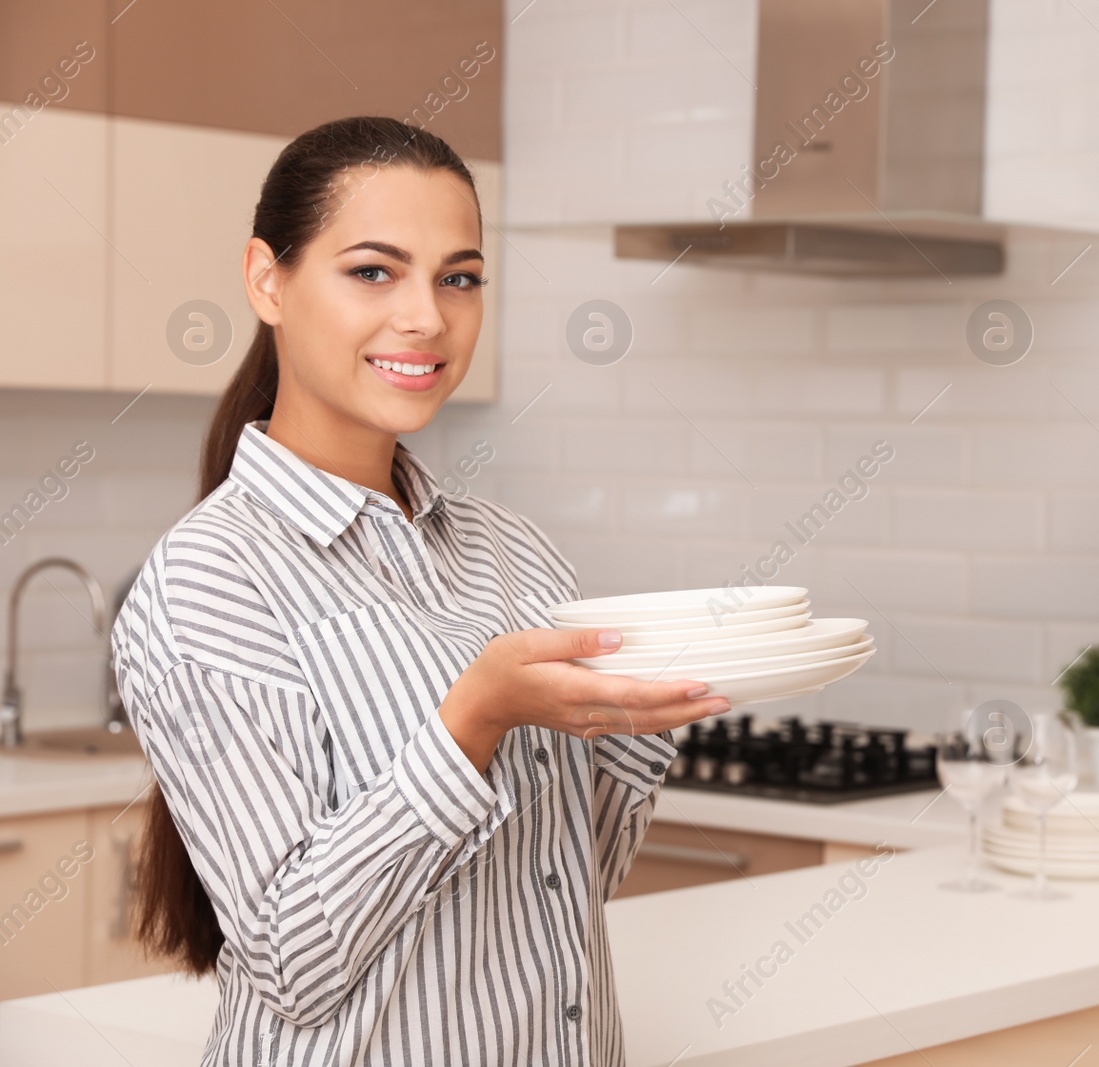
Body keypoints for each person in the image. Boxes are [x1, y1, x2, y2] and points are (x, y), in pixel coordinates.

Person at [109, 115, 730, 1067]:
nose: (427, 318)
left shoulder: (515, 553)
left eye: (459, 277)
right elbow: (290, 960)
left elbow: (567, 883)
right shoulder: (210, 578)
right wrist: (471, 722)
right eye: (373, 271)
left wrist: (648, 714)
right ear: (266, 280)